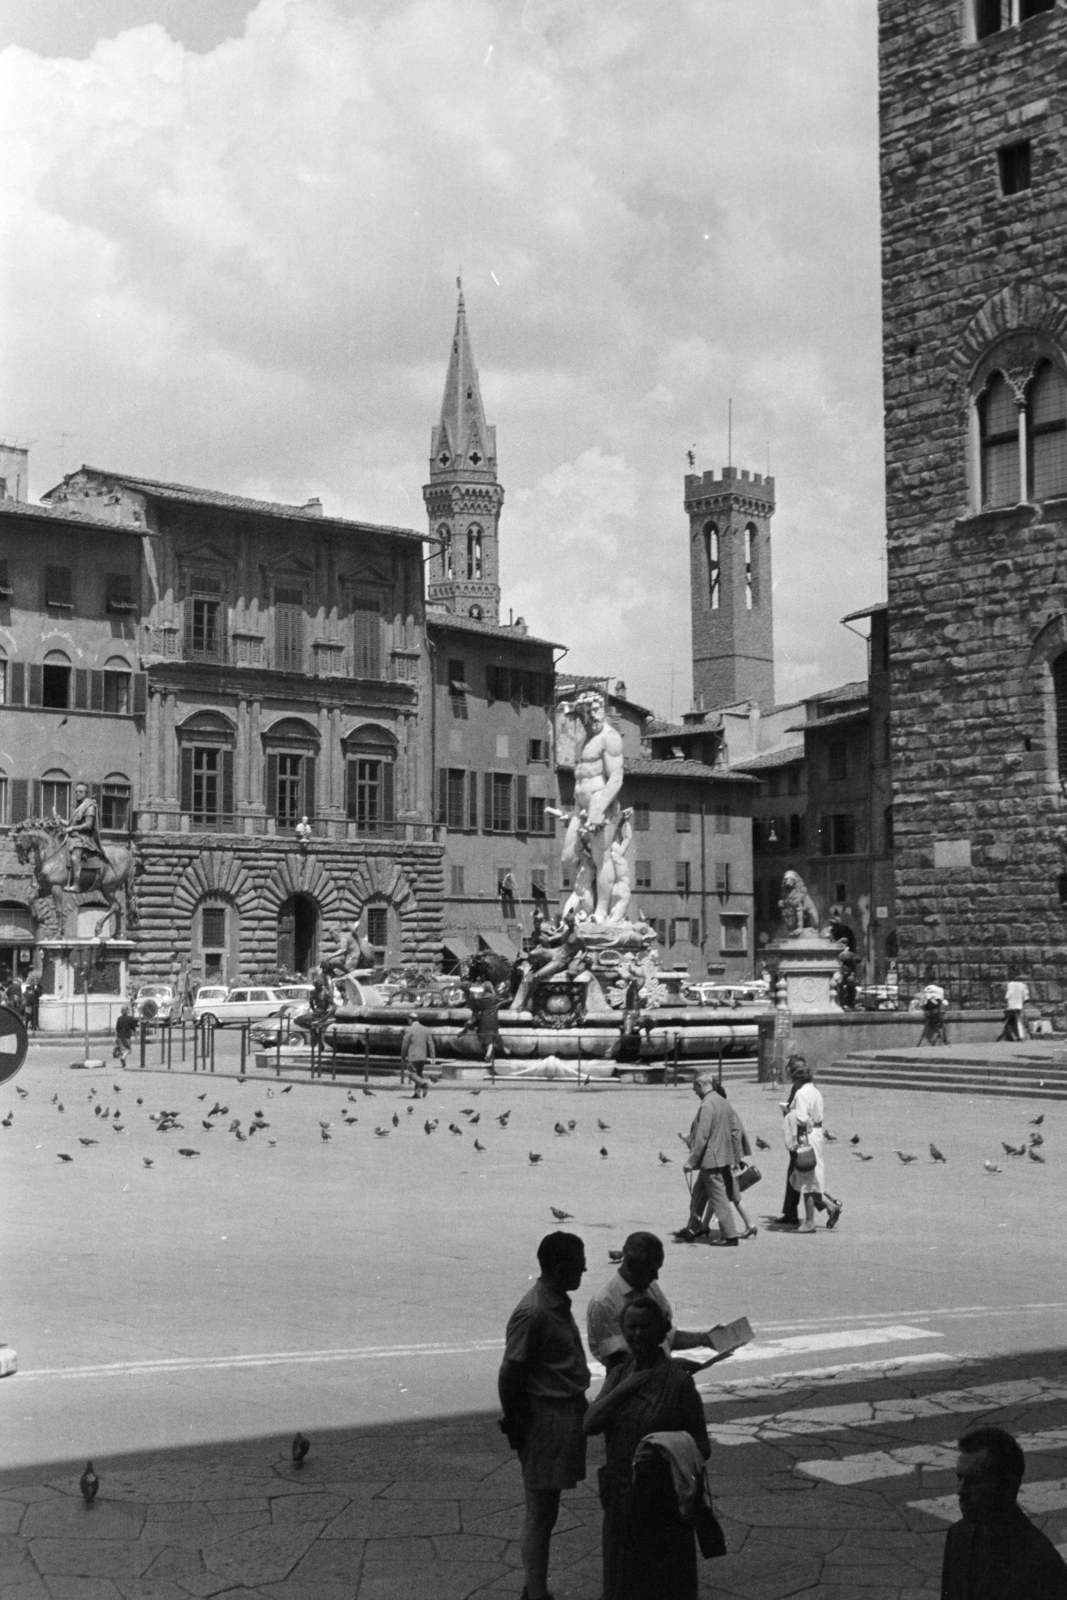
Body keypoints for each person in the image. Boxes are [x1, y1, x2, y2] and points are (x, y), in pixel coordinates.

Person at [584, 1295, 711, 1600]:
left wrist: (666, 1450)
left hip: (662, 1505)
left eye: (645, 1327)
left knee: (663, 1584)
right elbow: (590, 1424)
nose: (638, 1334)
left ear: (660, 1331)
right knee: (621, 1581)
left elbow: (702, 1446)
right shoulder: (618, 1375)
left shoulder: (678, 1383)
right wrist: (626, 1388)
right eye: (631, 1328)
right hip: (622, 1502)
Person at [499, 1232, 591, 1600]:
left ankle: (534, 1587)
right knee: (540, 1512)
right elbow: (510, 1375)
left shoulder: (554, 1303)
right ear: (557, 1268)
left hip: (563, 1414)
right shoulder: (534, 1312)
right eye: (578, 1262)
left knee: (547, 1511)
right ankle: (536, 1593)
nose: (584, 1268)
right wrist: (518, 1424)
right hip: (546, 1418)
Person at [941, 1426, 1067, 1599]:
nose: (960, 1490)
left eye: (974, 1480)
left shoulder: (1039, 1561)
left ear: (1007, 1486)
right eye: (960, 1477)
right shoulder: (958, 1536)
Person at [586, 1231, 733, 1370]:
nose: (656, 1277)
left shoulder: (649, 1287)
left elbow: (665, 1336)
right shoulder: (605, 1304)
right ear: (633, 1266)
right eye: (651, 1270)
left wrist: (704, 1339)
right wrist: (668, 1367)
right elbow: (619, 1362)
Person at [558, 690, 625, 923]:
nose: (594, 716)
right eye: (588, 712)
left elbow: (616, 777)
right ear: (581, 715)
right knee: (568, 857)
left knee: (602, 858)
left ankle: (601, 911)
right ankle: (587, 900)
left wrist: (599, 807)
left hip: (601, 805)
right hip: (580, 807)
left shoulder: (610, 737)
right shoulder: (580, 744)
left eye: (597, 710)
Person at [674, 1073, 742, 1246]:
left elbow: (702, 1137)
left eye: (694, 1087)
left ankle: (730, 1235)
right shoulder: (722, 1101)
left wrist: (691, 1160)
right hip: (721, 1157)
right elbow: (734, 1130)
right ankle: (692, 1228)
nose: (694, 1091)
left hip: (711, 1160)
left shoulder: (707, 1105)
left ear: (698, 1084)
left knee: (719, 1198)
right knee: (698, 1194)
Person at [784, 1060, 842, 1232]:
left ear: (797, 1079)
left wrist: (790, 1117)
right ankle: (831, 1207)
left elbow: (800, 1118)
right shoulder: (816, 1091)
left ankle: (810, 1221)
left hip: (806, 1137)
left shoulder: (801, 1094)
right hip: (817, 1134)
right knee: (810, 1178)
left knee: (806, 1179)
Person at [63, 782, 105, 889]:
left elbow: (88, 825)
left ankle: (76, 885)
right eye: (76, 791)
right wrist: (60, 820)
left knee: (75, 857)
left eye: (80, 792)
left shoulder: (89, 807)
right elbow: (71, 823)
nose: (77, 793)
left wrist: (71, 828)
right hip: (75, 837)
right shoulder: (79, 806)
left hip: (83, 839)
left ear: (86, 793)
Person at [400, 1011, 435, 1097]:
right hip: (423, 1056)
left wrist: (403, 1057)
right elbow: (431, 1043)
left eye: (408, 1020)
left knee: (410, 1074)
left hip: (413, 1056)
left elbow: (405, 1045)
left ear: (410, 1020)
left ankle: (424, 1084)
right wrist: (432, 1056)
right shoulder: (425, 1029)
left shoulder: (409, 1029)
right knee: (419, 1074)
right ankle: (417, 1093)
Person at [998, 975, 1030, 1042]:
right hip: (1019, 1006)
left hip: (1011, 1006)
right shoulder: (1023, 985)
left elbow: (1007, 997)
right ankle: (1021, 1036)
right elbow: (1026, 998)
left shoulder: (1010, 985)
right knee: (1020, 1021)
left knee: (1010, 1022)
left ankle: (1014, 1036)